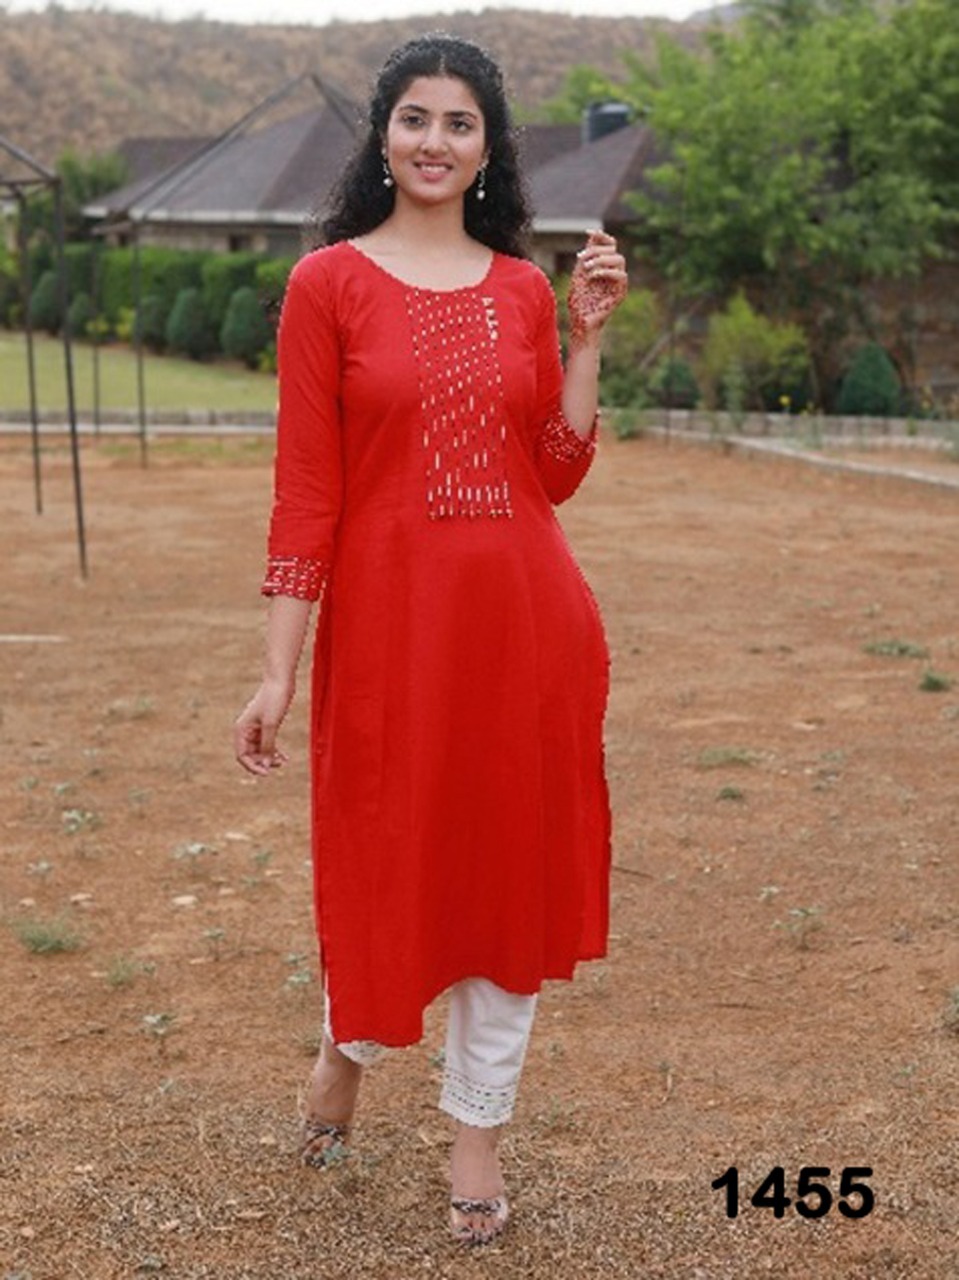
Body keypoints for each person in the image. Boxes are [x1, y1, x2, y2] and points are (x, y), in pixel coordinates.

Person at [234, 31, 627, 1247]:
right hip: (389, 639)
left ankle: (476, 1131)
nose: (435, 141)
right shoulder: (327, 285)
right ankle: (345, 1043)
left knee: (503, 876)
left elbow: (553, 469)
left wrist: (583, 338)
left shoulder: (519, 289)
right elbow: (307, 493)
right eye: (416, 117)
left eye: (460, 123)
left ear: (488, 148)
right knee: (387, 862)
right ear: (382, 133)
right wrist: (277, 668)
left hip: (523, 631)